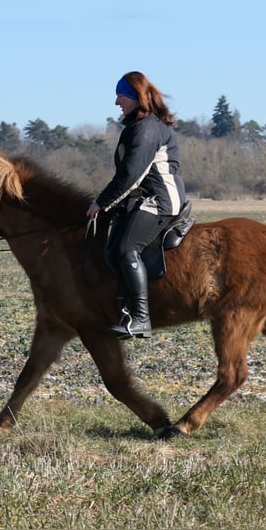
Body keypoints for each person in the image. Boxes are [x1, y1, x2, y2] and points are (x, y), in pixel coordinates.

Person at [86, 71, 186, 339]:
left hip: (159, 201)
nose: (117, 102)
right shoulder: (140, 126)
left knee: (126, 247)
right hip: (145, 198)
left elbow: (131, 175)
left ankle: (141, 318)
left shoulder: (146, 129)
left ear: (134, 97)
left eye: (120, 96)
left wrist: (101, 203)